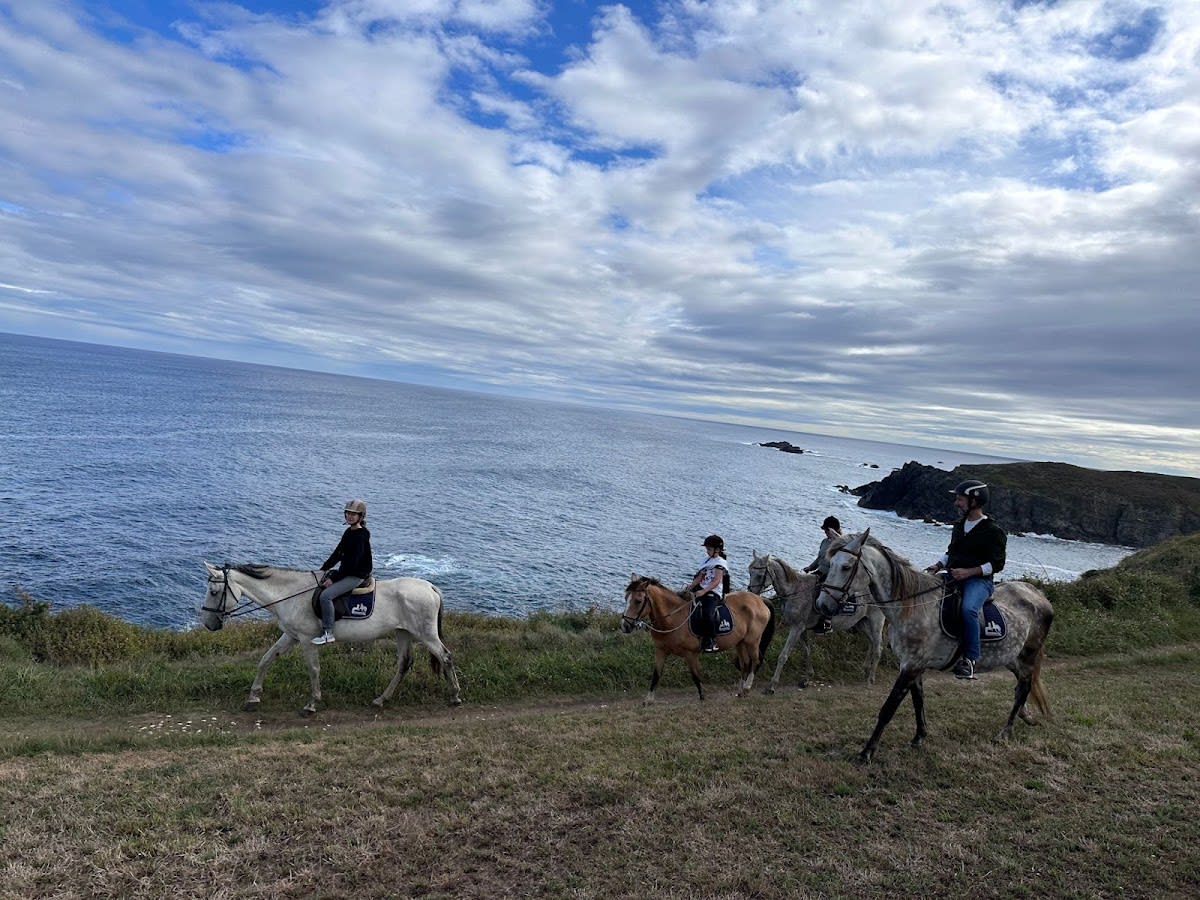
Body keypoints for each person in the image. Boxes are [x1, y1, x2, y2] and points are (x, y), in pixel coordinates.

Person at [925, 480, 1007, 680]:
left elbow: (997, 564)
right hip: (953, 575)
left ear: (974, 501)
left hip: (979, 582)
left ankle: (970, 660)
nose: (956, 503)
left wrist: (969, 572)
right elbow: (951, 552)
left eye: (960, 499)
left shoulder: (993, 531)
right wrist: (937, 565)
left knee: (968, 609)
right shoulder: (959, 525)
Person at [312, 499, 373, 645]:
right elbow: (338, 554)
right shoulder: (349, 532)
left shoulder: (361, 535)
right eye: (348, 513)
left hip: (356, 575)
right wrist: (322, 569)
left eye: (354, 514)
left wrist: (334, 579)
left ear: (361, 516)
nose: (350, 516)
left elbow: (353, 563)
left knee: (326, 596)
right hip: (348, 571)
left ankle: (328, 632)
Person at [686, 534, 730, 653]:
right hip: (701, 589)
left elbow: (716, 581)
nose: (707, 551)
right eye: (707, 549)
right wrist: (690, 587)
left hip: (713, 592)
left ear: (717, 550)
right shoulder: (705, 560)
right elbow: (700, 577)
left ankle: (711, 640)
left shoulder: (720, 563)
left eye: (709, 549)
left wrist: (704, 591)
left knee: (707, 613)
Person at [803, 515, 842, 634]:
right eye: (825, 531)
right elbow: (819, 559)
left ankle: (826, 623)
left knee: (824, 593)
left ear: (833, 530)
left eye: (827, 531)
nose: (825, 533)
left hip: (832, 575)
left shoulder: (840, 544)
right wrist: (810, 567)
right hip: (820, 571)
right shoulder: (824, 542)